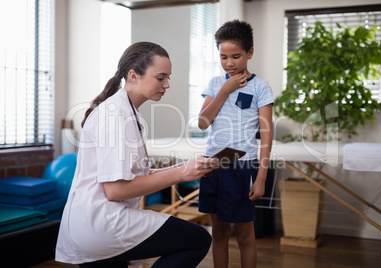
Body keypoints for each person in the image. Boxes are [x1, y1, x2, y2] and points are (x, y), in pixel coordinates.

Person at [55, 42, 218, 268]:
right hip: (101, 222)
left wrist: (189, 168)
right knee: (198, 239)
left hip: (99, 221)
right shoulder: (115, 115)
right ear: (134, 75)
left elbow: (136, 174)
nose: (167, 84)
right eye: (160, 78)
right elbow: (116, 189)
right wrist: (182, 173)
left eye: (168, 77)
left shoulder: (130, 113)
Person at [198, 20, 274, 268]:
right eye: (223, 57)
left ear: (250, 53)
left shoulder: (261, 87)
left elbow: (266, 134)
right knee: (218, 234)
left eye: (236, 56)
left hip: (241, 165)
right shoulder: (214, 84)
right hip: (213, 164)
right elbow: (202, 122)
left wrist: (261, 177)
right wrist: (225, 90)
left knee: (244, 236)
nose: (229, 63)